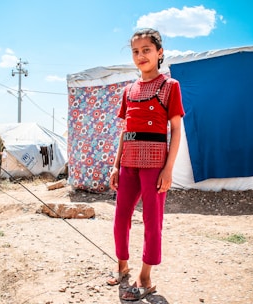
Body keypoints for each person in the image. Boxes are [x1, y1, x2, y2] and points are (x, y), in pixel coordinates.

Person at [106, 28, 185, 301]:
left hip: (155, 165)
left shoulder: (170, 86)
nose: (141, 56)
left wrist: (169, 168)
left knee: (153, 222)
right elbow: (125, 131)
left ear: (159, 53)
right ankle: (122, 265)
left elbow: (176, 129)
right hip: (128, 163)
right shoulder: (129, 90)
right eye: (135, 51)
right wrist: (116, 165)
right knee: (120, 218)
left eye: (146, 50)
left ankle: (146, 277)